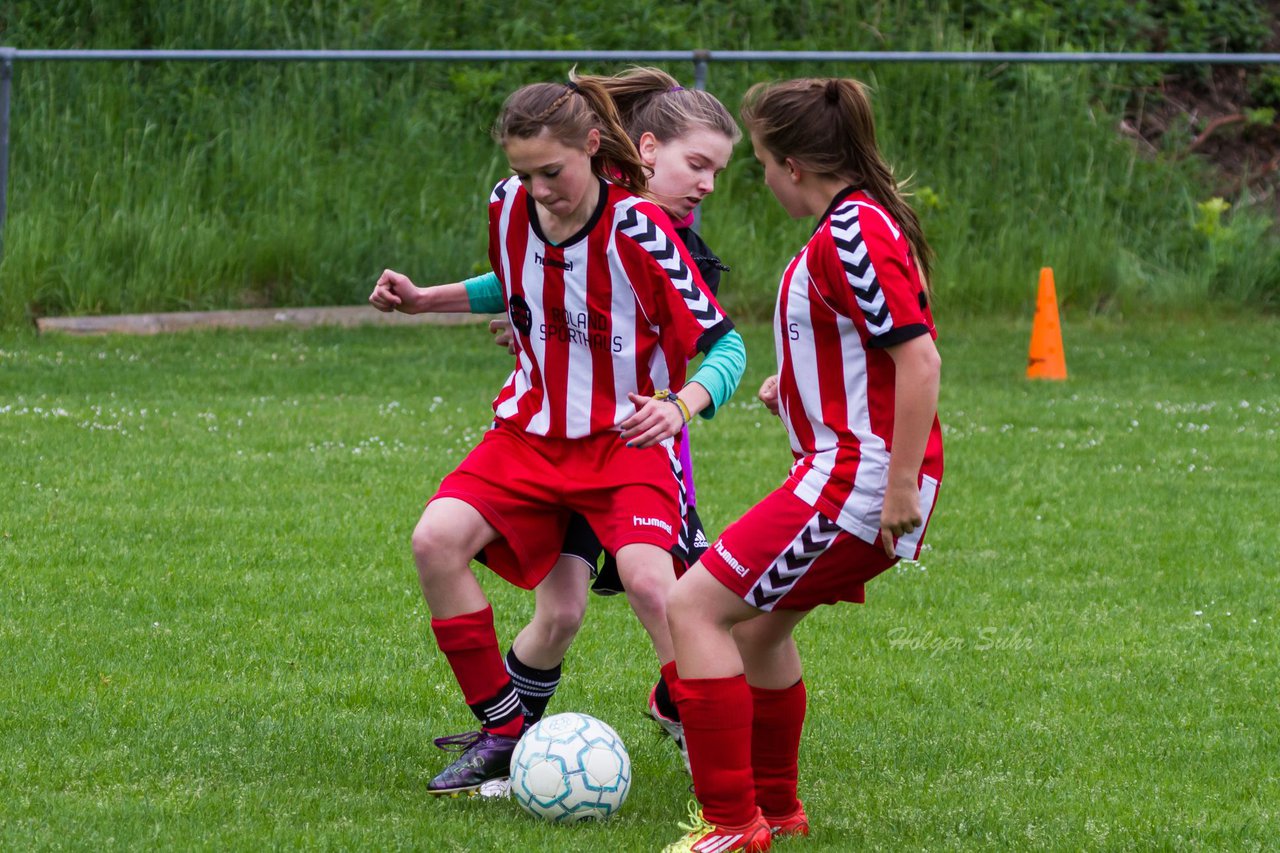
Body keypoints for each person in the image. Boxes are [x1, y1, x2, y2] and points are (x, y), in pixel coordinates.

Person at [373, 73, 740, 797]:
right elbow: (518, 280)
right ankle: (504, 731)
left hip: (624, 444)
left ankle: (713, 750)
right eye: (523, 172)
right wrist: (424, 300)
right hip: (530, 436)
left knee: (652, 585)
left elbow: (727, 346)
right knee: (436, 542)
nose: (538, 188)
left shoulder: (643, 229)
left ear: (592, 148)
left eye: (552, 172)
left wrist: (681, 402)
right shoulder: (510, 205)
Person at [661, 77, 944, 852]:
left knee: (694, 609)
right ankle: (777, 812)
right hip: (844, 466)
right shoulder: (854, 225)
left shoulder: (854, 231)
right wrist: (792, 384)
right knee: (756, 633)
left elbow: (919, 361)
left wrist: (894, 487)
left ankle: (731, 822)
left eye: (756, 161)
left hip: (858, 478)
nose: (757, 177)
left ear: (792, 164)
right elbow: (859, 344)